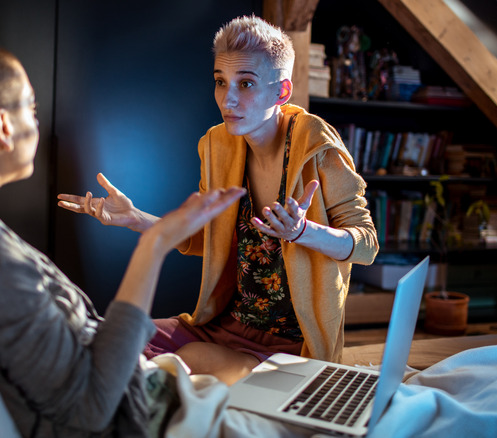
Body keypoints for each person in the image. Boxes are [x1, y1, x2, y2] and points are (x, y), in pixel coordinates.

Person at [0, 38, 311, 438]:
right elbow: (94, 405)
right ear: (2, 126)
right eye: (30, 108)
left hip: (145, 387)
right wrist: (155, 244)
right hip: (147, 415)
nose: (37, 121)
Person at [57, 15, 379, 385]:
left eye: (246, 84)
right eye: (220, 82)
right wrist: (135, 218)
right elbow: (209, 240)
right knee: (110, 340)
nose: (228, 99)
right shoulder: (218, 144)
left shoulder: (316, 145)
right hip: (223, 326)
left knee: (189, 361)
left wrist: (303, 232)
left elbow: (367, 245)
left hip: (292, 347)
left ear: (282, 92)